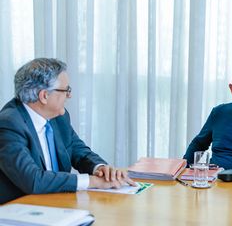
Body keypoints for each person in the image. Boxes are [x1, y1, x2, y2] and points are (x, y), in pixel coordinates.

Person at [0, 58, 136, 204]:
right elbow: (33, 180)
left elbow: (79, 151)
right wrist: (92, 181)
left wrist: (101, 169)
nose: (69, 95)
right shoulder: (9, 124)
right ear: (44, 96)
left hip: (58, 203)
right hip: (22, 211)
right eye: (66, 90)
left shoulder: (59, 116)